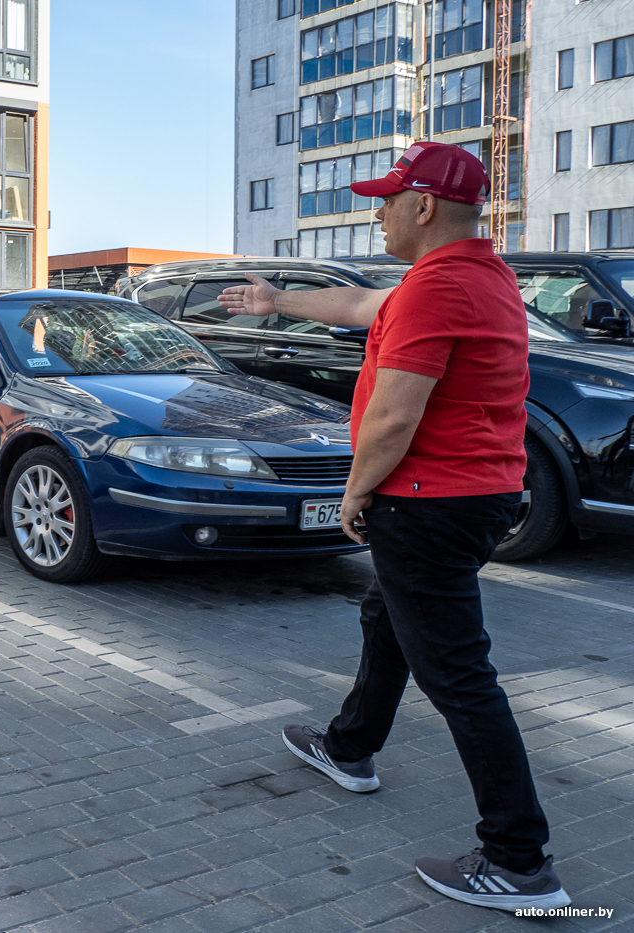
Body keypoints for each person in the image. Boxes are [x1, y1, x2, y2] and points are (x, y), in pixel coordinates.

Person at [219, 142, 570, 913]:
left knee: (458, 674)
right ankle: (349, 746)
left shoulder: (438, 290)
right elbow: (356, 307)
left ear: (422, 207)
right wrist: (277, 303)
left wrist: (354, 491)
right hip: (475, 495)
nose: (376, 212)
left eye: (386, 200)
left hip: (430, 500)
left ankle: (519, 860)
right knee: (389, 614)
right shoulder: (476, 276)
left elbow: (393, 416)